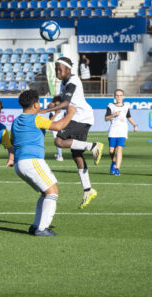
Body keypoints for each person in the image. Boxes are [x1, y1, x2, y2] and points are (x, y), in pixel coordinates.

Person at [39, 56, 104, 209]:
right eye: (56, 69)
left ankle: (93, 146)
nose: (57, 72)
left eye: (59, 70)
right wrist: (53, 107)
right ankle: (88, 189)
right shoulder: (64, 83)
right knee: (76, 154)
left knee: (59, 141)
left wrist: (46, 110)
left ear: (68, 70)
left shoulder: (73, 82)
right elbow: (62, 101)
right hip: (80, 117)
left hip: (80, 118)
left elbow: (66, 103)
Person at [11, 89, 75, 236]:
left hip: (19, 163)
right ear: (35, 105)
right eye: (39, 102)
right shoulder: (36, 118)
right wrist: (71, 112)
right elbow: (58, 127)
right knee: (53, 192)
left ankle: (36, 226)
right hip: (32, 161)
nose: (40, 105)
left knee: (45, 193)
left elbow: (13, 141)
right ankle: (42, 229)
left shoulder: (16, 121)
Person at [105, 89, 138, 176]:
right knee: (111, 151)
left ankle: (117, 169)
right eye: (117, 95)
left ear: (124, 97)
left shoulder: (126, 106)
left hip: (122, 130)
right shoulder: (111, 106)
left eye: (120, 95)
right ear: (114, 97)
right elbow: (106, 118)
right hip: (113, 130)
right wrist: (113, 115)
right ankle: (113, 162)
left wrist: (135, 125)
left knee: (119, 148)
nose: (119, 97)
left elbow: (129, 117)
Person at [48, 96, 65, 161]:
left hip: (62, 128)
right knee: (56, 141)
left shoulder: (63, 112)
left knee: (59, 141)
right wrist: (56, 113)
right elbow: (50, 121)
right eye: (56, 104)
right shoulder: (52, 113)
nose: (57, 106)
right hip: (54, 128)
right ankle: (59, 154)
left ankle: (60, 156)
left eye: (59, 104)